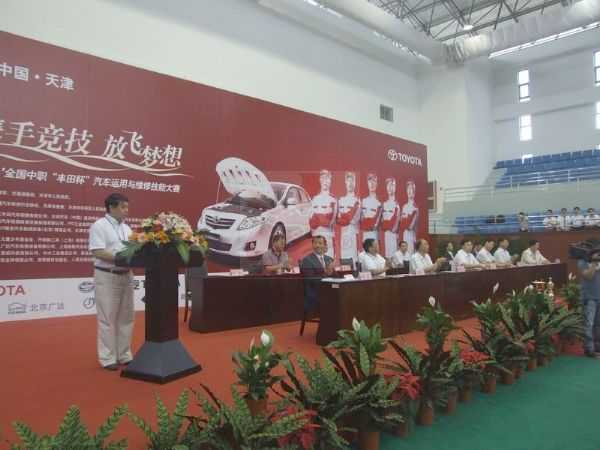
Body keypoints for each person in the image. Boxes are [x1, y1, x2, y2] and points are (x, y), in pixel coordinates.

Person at [88, 193, 134, 371]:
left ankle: (124, 354)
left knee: (126, 317)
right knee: (107, 318)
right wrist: (119, 259)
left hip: (126, 275)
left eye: (127, 207)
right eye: (123, 207)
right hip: (107, 275)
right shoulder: (99, 226)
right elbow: (97, 251)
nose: (126, 210)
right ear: (111, 207)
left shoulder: (127, 228)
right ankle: (107, 358)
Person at [300, 235, 335, 315]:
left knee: (343, 294)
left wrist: (332, 272)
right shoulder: (307, 260)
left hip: (329, 290)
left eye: (320, 243)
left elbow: (335, 277)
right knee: (335, 297)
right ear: (312, 245)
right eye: (315, 243)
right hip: (315, 292)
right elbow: (310, 280)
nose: (317, 245)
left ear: (325, 245)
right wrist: (326, 273)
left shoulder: (329, 259)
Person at [309, 169, 337, 259]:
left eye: (327, 178)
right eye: (323, 178)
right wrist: (321, 218)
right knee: (316, 263)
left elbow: (330, 221)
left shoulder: (333, 200)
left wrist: (319, 218)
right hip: (316, 238)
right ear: (320, 180)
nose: (325, 181)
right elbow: (311, 221)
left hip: (328, 237)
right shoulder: (314, 199)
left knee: (329, 263)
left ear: (331, 181)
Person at [578, 249, 600, 358]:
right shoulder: (582, 262)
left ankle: (597, 347)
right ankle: (589, 349)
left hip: (599, 296)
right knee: (589, 324)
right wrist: (594, 263)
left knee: (598, 324)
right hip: (589, 298)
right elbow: (588, 276)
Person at [337, 171, 361, 267]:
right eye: (348, 181)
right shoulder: (341, 200)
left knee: (354, 262)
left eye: (352, 181)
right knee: (344, 262)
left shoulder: (357, 201)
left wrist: (344, 217)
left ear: (355, 183)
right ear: (345, 182)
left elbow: (353, 220)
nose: (350, 183)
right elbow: (338, 219)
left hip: (353, 235)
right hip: (343, 235)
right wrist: (346, 216)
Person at [381, 177, 400, 258]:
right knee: (386, 257)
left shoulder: (397, 205)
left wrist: (387, 225)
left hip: (393, 235)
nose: (389, 187)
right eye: (388, 185)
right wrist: (386, 224)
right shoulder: (384, 204)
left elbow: (395, 226)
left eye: (392, 185)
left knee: (393, 257)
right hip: (386, 235)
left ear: (395, 187)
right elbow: (382, 222)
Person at [360, 173, 381, 243]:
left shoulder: (379, 203)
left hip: (374, 235)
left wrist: (367, 223)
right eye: (370, 181)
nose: (372, 184)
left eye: (374, 181)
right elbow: (361, 220)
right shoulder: (363, 201)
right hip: (364, 236)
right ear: (367, 183)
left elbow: (376, 224)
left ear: (377, 183)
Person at [400, 180, 419, 253]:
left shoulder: (415, 208)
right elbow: (401, 224)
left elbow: (410, 226)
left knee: (410, 256)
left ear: (414, 191)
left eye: (412, 189)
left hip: (411, 237)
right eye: (408, 189)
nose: (410, 191)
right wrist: (405, 221)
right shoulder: (404, 207)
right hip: (404, 236)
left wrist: (404, 221)